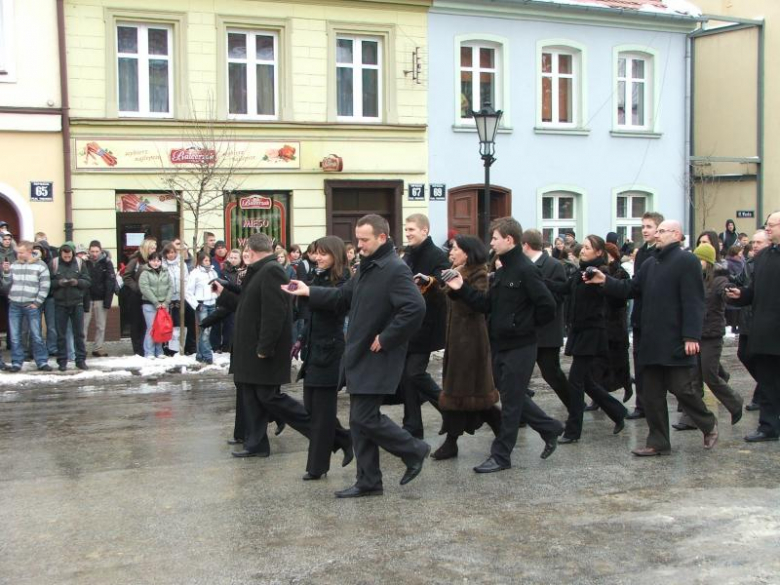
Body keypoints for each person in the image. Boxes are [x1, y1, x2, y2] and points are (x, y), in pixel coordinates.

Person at [283, 215, 428, 497]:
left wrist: (387, 337)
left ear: (382, 238)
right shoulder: (367, 267)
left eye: (364, 239)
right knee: (359, 421)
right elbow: (341, 298)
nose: (359, 245)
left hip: (378, 355)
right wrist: (308, 290)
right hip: (359, 354)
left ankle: (414, 449)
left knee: (365, 419)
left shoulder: (394, 269)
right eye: (358, 239)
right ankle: (368, 481)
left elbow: (415, 308)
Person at [217, 234, 352, 470]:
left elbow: (275, 312)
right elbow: (248, 305)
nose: (243, 255)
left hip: (264, 350)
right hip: (251, 350)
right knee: (255, 397)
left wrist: (265, 347)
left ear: (252, 250)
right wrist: (224, 293)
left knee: (270, 398)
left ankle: (336, 436)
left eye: (245, 251)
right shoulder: (258, 271)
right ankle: (256, 443)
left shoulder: (271, 270)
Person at [588, 220, 719, 456]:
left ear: (677, 235)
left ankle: (708, 424)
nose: (656, 235)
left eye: (661, 231)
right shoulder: (650, 263)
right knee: (651, 394)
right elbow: (630, 289)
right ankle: (658, 442)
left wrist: (691, 335)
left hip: (676, 340)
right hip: (650, 340)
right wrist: (605, 280)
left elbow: (694, 301)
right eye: (655, 231)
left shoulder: (686, 261)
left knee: (682, 389)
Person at [444, 217, 563, 472]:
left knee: (510, 404)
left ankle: (501, 456)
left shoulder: (525, 269)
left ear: (509, 240)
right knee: (513, 396)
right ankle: (549, 427)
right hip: (501, 344)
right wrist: (460, 287)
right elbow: (485, 305)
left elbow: (548, 306)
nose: (492, 243)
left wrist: (523, 326)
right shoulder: (502, 270)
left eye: (495, 238)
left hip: (521, 346)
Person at [545, 235, 627, 443]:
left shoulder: (599, 273)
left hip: (592, 332)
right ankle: (617, 412)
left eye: (588, 248)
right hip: (580, 331)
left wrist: (597, 278)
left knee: (576, 381)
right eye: (584, 247)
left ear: (599, 253)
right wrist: (538, 278)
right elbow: (563, 289)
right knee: (587, 381)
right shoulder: (580, 272)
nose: (583, 250)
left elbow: (612, 292)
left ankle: (573, 431)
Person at [432, 235, 501, 460]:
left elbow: (479, 303)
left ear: (468, 252)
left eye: (456, 249)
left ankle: (452, 442)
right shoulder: (457, 269)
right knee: (469, 395)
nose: (451, 253)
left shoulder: (479, 272)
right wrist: (432, 283)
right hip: (456, 339)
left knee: (463, 393)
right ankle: (503, 432)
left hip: (471, 341)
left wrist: (459, 287)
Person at [291, 236, 353, 480]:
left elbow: (336, 302)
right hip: (313, 351)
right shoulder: (316, 276)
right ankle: (346, 439)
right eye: (315, 253)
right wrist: (300, 339)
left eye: (323, 254)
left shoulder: (344, 279)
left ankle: (317, 467)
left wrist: (310, 291)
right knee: (311, 409)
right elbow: (311, 316)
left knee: (322, 414)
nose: (317, 258)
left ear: (335, 255)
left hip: (331, 352)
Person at [673, 242, 743, 430]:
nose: (696, 262)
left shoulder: (719, 280)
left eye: (700, 259)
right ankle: (690, 419)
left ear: (708, 262)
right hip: (695, 334)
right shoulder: (694, 279)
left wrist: (729, 293)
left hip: (712, 335)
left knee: (710, 376)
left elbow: (725, 291)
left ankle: (735, 402)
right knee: (692, 378)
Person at [726, 211, 780, 442]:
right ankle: (768, 427)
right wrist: (741, 295)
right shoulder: (764, 256)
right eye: (767, 225)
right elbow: (755, 292)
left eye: (772, 225)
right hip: (764, 330)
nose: (768, 229)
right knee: (767, 382)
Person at [400, 213, 450, 439]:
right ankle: (412, 425)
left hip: (427, 325)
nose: (408, 233)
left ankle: (450, 410)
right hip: (408, 323)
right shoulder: (408, 254)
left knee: (414, 373)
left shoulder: (437, 255)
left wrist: (429, 281)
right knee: (407, 377)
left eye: (411, 229)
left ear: (424, 230)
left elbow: (444, 285)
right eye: (406, 229)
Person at [521, 229, 570, 410]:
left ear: (525, 245)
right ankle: (521, 416)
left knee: (552, 374)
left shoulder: (553, 265)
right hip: (528, 331)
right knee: (520, 377)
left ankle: (574, 405)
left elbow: (558, 298)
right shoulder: (524, 265)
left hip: (547, 332)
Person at [626, 212, 664, 420]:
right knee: (639, 363)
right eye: (643, 226)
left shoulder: (659, 254)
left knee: (655, 367)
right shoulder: (641, 253)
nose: (645, 230)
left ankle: (655, 403)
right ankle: (642, 404)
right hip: (640, 315)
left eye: (649, 226)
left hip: (655, 318)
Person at [1, 241, 52, 371]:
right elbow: (6, 287)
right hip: (14, 305)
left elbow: (45, 286)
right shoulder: (14, 265)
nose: (18, 254)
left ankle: (41, 361)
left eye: (21, 252)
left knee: (36, 335)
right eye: (17, 252)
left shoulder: (41, 266)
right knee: (15, 336)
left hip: (32, 305)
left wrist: (37, 303)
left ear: (29, 251)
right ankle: (17, 362)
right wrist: (6, 272)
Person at [735, 230, 771, 411]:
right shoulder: (749, 263)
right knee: (744, 354)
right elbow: (741, 284)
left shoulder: (770, 262)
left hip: (762, 319)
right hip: (747, 318)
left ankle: (765, 392)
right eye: (753, 242)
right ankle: (767, 388)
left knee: (763, 359)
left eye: (759, 242)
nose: (754, 246)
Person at [51, 242, 91, 371]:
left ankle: (80, 360)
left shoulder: (80, 263)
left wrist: (77, 282)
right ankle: (62, 361)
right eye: (64, 255)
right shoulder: (54, 263)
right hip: (60, 303)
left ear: (72, 254)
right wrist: (58, 283)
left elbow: (88, 281)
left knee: (79, 334)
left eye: (69, 255)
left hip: (77, 303)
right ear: (61, 254)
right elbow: (48, 282)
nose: (67, 257)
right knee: (61, 334)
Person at [123, 238, 156, 356]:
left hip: (149, 296)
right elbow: (126, 276)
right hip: (136, 296)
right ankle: (137, 349)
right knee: (136, 322)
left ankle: (145, 347)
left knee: (146, 322)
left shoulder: (155, 260)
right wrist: (136, 287)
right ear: (146, 248)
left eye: (155, 248)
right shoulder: (136, 260)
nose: (154, 250)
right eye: (152, 248)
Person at [162, 242, 196, 356]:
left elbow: (185, 279)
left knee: (180, 323)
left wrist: (184, 294)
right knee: (169, 323)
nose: (171, 255)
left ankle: (180, 347)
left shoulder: (182, 264)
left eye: (173, 252)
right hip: (168, 298)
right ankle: (169, 348)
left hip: (180, 297)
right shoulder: (163, 265)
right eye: (169, 253)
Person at [84, 241, 115, 357]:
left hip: (101, 297)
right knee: (83, 325)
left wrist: (108, 300)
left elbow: (110, 281)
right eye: (92, 251)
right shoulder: (84, 262)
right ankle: (81, 348)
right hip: (86, 298)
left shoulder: (107, 263)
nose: (94, 254)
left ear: (101, 251)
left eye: (97, 251)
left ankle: (98, 347)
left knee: (101, 325)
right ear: (89, 251)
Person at [138, 251, 171, 359]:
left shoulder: (165, 272)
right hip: (149, 304)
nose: (156, 263)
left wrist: (166, 302)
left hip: (163, 304)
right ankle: (149, 352)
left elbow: (170, 287)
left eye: (158, 260)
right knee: (151, 328)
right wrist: (155, 302)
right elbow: (145, 288)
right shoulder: (145, 273)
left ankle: (159, 351)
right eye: (153, 260)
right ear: (149, 261)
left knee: (160, 328)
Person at [186, 252, 218, 364]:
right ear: (200, 261)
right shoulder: (195, 273)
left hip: (212, 303)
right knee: (205, 330)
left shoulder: (213, 272)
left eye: (209, 260)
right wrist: (196, 304)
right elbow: (188, 292)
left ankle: (200, 354)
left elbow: (216, 288)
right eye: (205, 260)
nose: (208, 262)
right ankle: (208, 355)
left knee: (207, 330)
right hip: (202, 304)